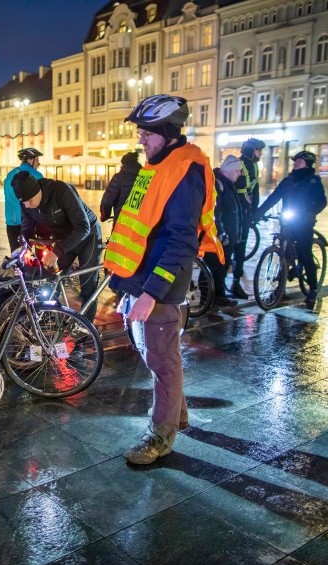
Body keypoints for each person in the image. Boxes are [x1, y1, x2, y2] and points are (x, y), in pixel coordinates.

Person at [103, 94, 222, 465]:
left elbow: (181, 241)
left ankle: (160, 436)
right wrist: (126, 284)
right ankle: (178, 416)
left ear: (168, 133)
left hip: (161, 287)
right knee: (158, 356)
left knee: (162, 361)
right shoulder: (159, 163)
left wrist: (151, 294)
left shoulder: (184, 172)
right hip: (141, 280)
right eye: (140, 132)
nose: (141, 139)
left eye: (147, 133)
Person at [12, 170, 103, 322]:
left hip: (88, 235)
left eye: (29, 200)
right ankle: (47, 321)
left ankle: (86, 326)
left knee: (88, 284)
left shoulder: (61, 191)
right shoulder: (26, 204)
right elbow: (27, 228)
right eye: (23, 202)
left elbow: (83, 226)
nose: (27, 205)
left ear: (37, 191)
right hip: (64, 238)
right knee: (53, 280)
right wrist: (22, 247)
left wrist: (57, 251)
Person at [254, 150, 327, 308]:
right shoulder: (288, 181)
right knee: (284, 253)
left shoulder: (313, 181)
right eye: (295, 161)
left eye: (299, 161)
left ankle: (313, 289)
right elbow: (274, 198)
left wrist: (310, 212)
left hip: (304, 223)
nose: (296, 163)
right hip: (287, 221)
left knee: (304, 253)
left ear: (307, 163)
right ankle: (281, 286)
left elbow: (321, 201)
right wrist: (259, 212)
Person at [205, 155, 245, 307]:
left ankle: (216, 296)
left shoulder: (227, 184)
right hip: (221, 236)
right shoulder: (219, 185)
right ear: (229, 170)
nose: (239, 174)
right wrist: (221, 232)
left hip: (228, 234)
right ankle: (212, 297)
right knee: (216, 265)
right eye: (237, 171)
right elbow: (216, 211)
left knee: (222, 264)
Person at [229, 138, 265, 299]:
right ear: (251, 151)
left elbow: (254, 189)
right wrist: (248, 210)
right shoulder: (239, 165)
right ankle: (221, 285)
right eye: (258, 150)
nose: (260, 153)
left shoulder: (254, 166)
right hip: (235, 214)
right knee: (232, 247)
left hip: (245, 214)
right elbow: (240, 191)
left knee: (241, 249)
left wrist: (256, 211)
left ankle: (235, 281)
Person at [3, 147, 43, 251]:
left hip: (11, 222)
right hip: (28, 222)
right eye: (37, 160)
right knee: (34, 255)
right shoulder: (36, 176)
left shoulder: (10, 175)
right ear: (30, 160)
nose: (39, 163)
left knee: (17, 255)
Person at [100, 151, 142, 223]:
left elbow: (107, 201)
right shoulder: (144, 177)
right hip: (141, 223)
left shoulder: (118, 178)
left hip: (122, 221)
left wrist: (105, 216)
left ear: (124, 164)